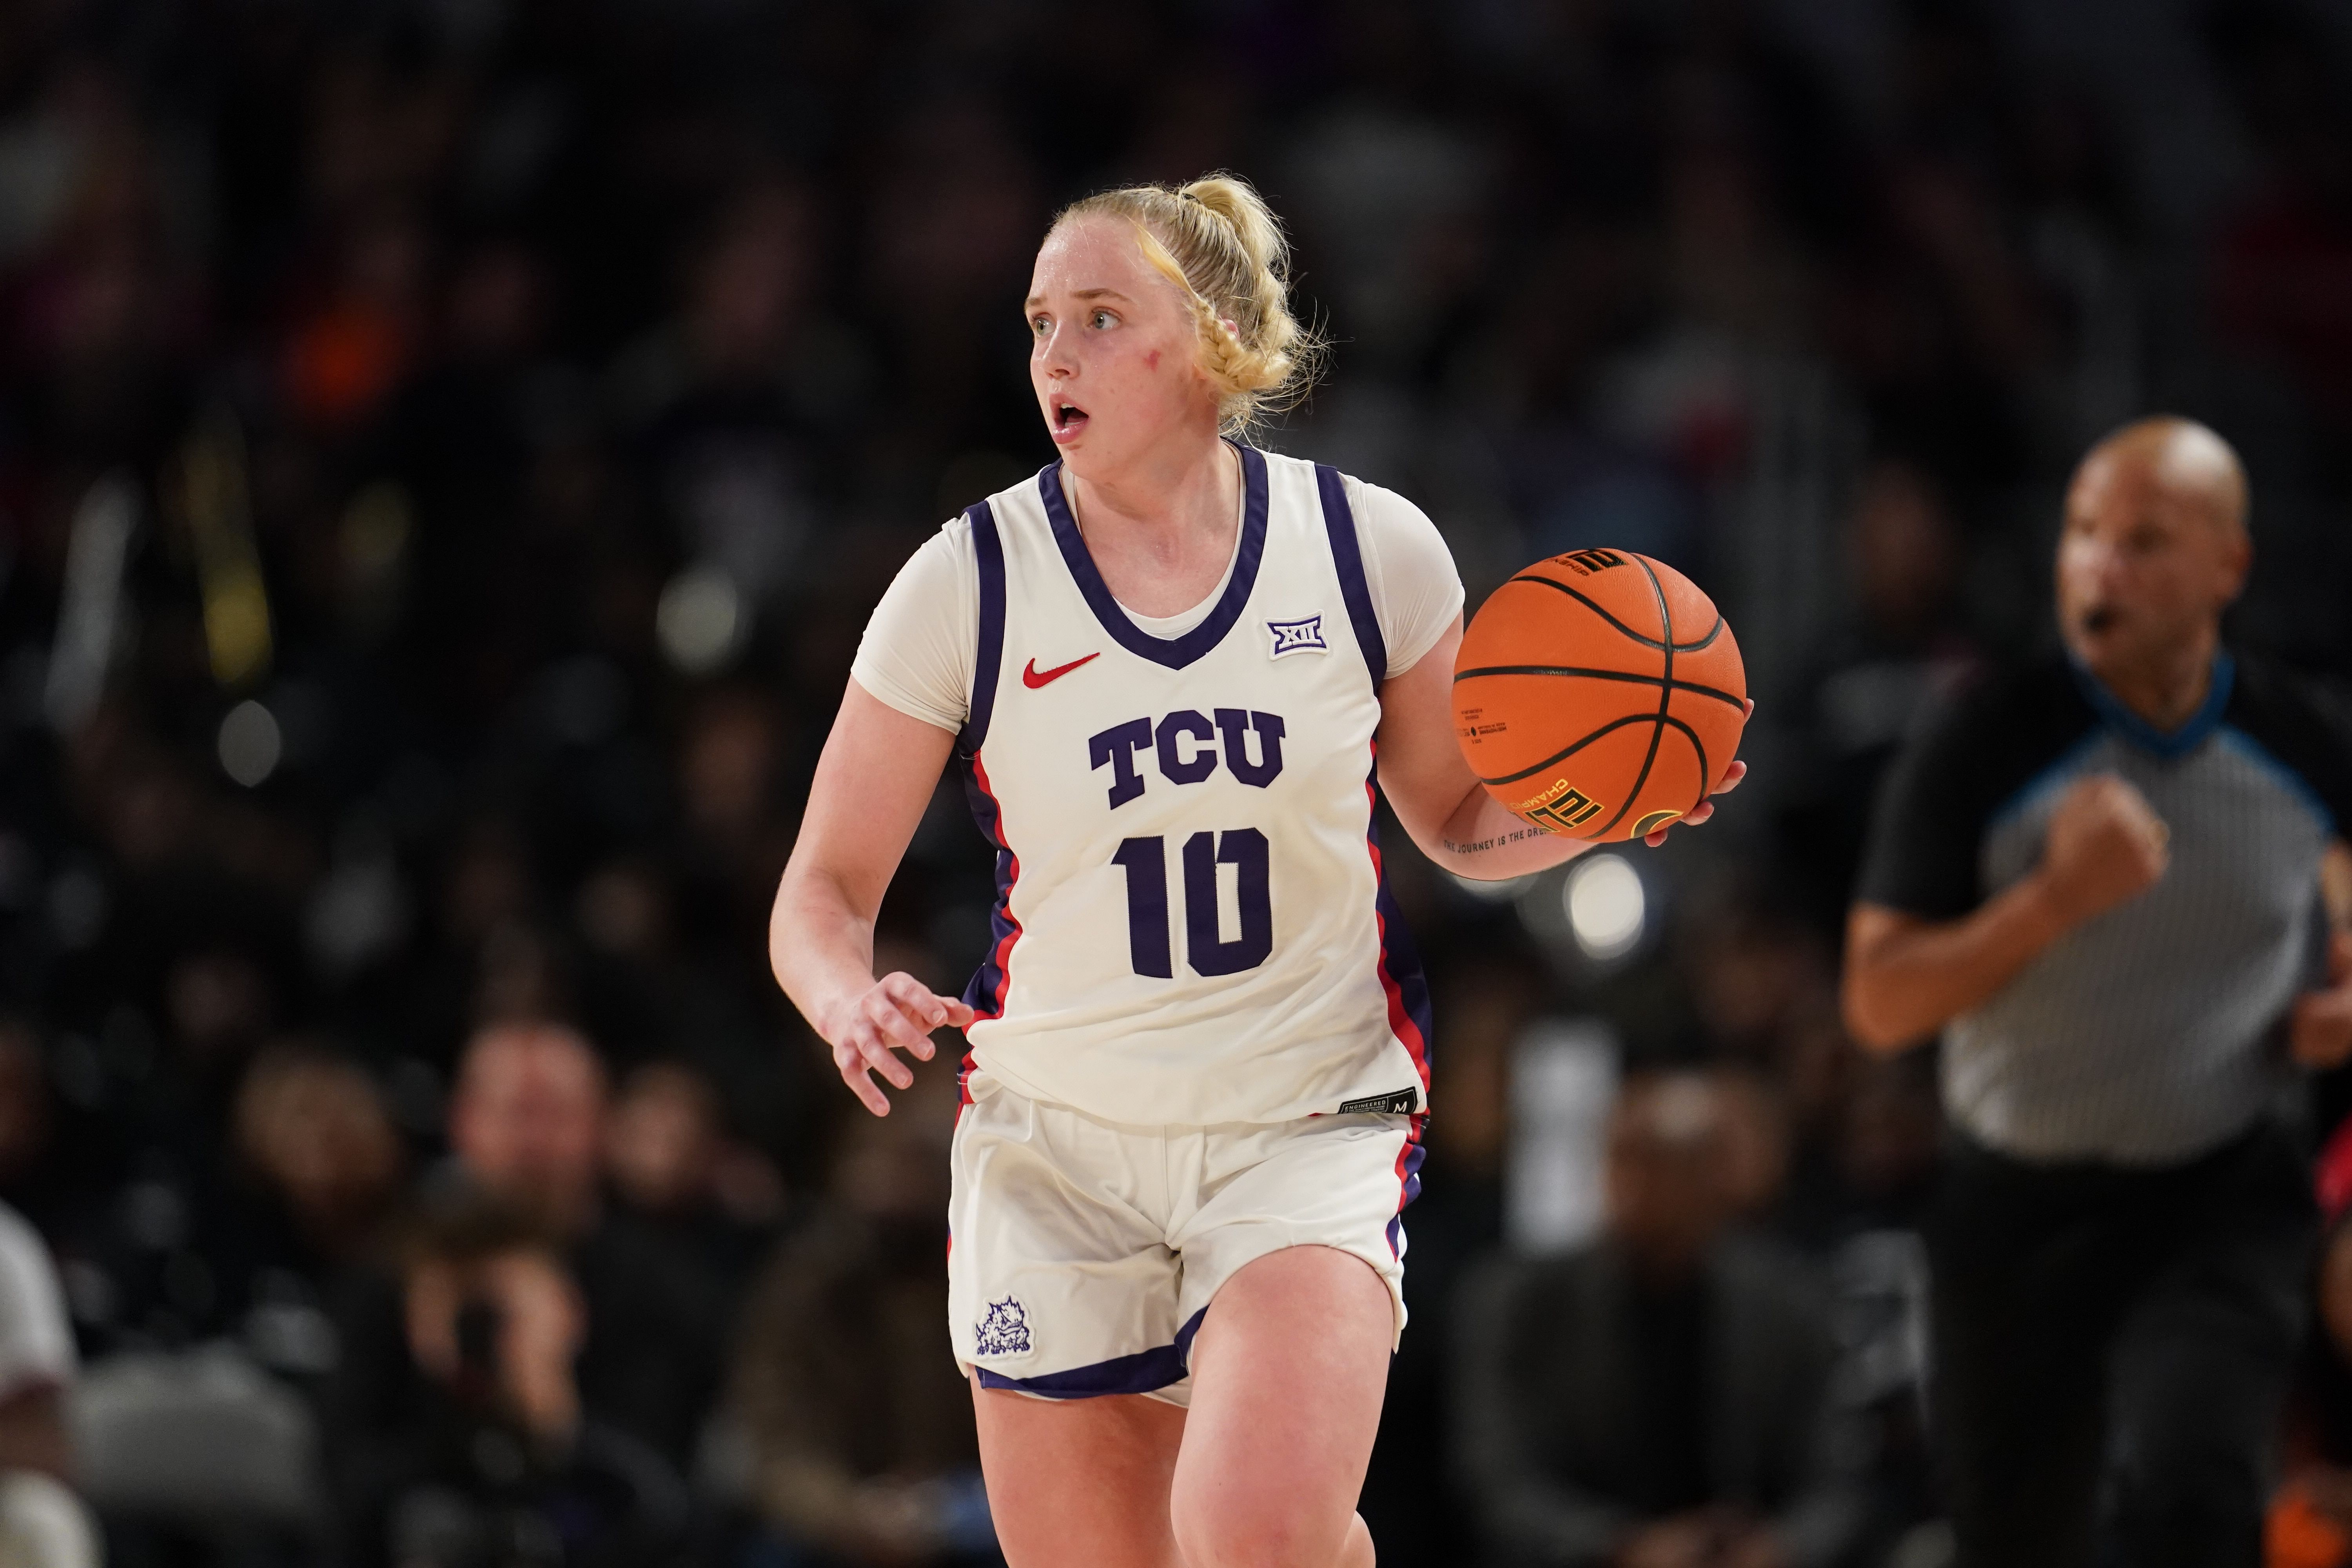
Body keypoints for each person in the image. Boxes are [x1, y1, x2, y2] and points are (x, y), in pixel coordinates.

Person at [768, 173, 1745, 1568]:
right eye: (1041, 321)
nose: (1054, 356)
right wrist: (841, 997)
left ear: (1215, 337)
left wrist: (1608, 803)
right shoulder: (966, 579)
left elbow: (1460, 819)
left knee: (1253, 1529)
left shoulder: (1368, 549)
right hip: (1063, 1143)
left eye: (1100, 318)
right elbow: (821, 891)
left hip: (1303, 1116)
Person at [1842, 416, 2352, 1568]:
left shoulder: (2300, 742)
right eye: (2080, 534)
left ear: (2228, 565)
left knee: (2189, 1493)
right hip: (2009, 1197)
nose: (2096, 567)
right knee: (2017, 1538)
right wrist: (2051, 903)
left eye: (2141, 540)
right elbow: (1878, 1000)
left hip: (2216, 1192)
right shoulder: (1980, 740)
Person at [1453, 1072, 1864, 1568]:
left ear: (1722, 1177)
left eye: (1680, 1166)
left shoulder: (1789, 1303)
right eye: (1632, 1160)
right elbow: (1499, 1480)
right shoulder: (1521, 1302)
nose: (1646, 1186)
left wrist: (1779, 1549)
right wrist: (1623, 1547)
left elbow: (1839, 1475)